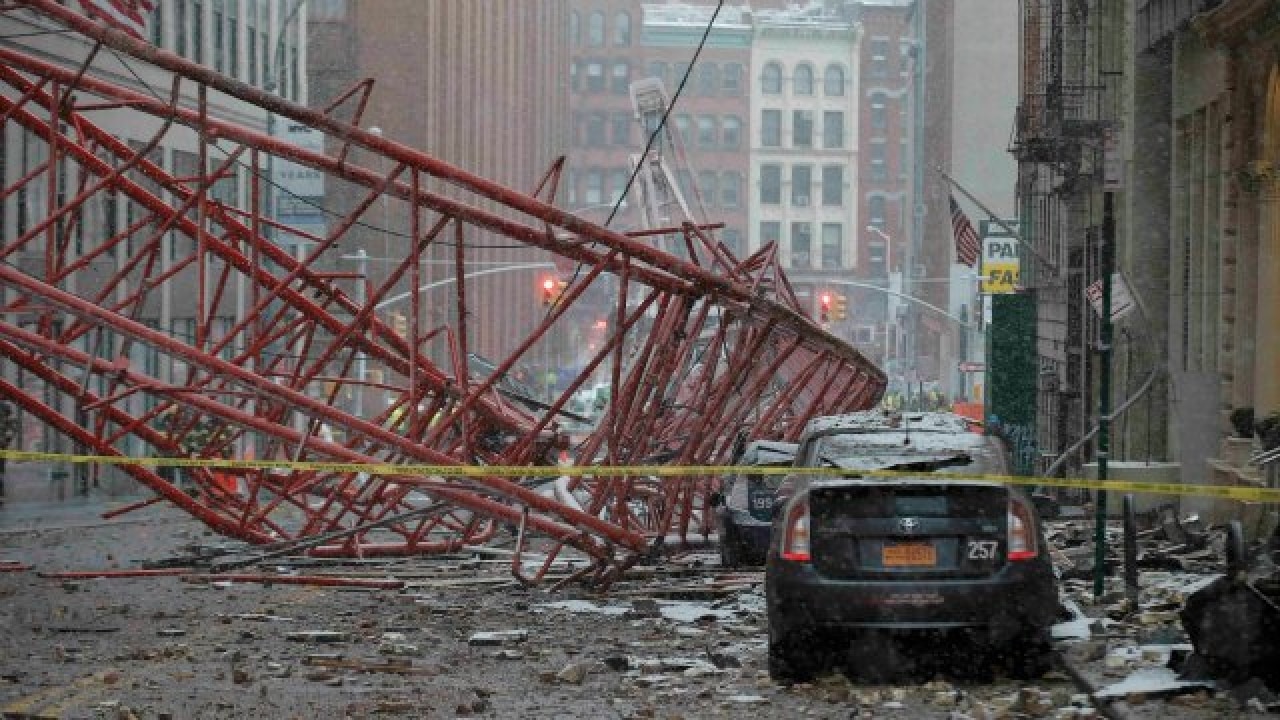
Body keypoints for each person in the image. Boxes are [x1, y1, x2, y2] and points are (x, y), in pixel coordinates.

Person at [0, 400, 16, 502]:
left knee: (0, 471)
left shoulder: (5, 407)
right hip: (2, 444)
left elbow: (12, 425)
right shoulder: (5, 407)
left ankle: (1, 494)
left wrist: (6, 440)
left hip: (1, 445)